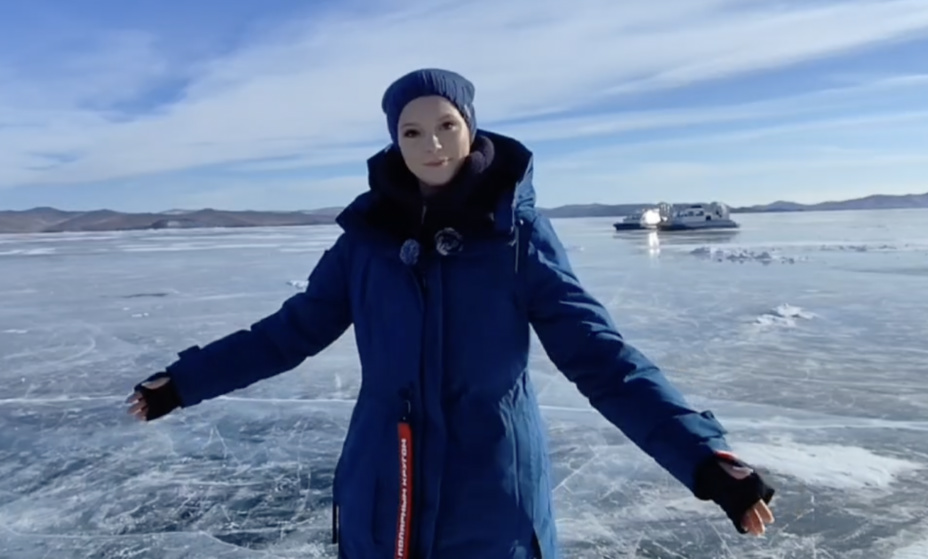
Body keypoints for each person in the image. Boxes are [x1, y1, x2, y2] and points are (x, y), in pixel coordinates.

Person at [126, 68, 776, 558]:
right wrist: (185, 381)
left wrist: (704, 457)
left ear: (470, 129)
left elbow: (599, 356)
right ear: (394, 142)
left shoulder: (517, 239)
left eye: (446, 126)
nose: (432, 144)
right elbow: (288, 332)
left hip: (492, 495)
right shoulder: (367, 243)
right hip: (382, 485)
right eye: (413, 131)